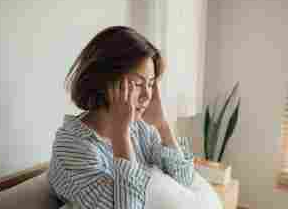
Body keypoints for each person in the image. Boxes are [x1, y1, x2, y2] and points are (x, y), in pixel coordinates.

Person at [48, 26, 194, 209]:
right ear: (104, 81)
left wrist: (162, 125)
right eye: (138, 83)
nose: (147, 96)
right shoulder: (71, 147)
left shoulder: (139, 129)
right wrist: (120, 136)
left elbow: (185, 182)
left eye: (150, 84)